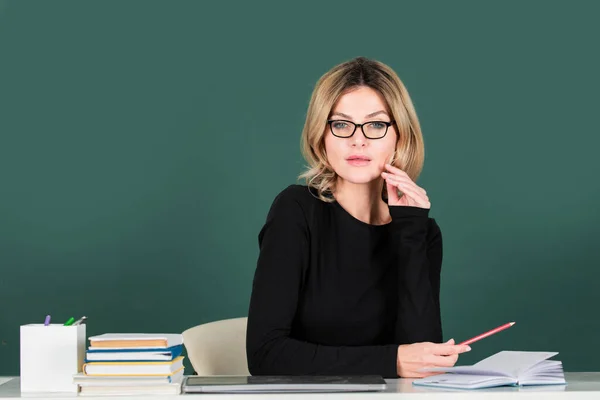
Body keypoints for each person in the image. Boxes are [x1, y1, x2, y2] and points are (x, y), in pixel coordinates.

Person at [246, 57, 470, 379]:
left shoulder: (421, 230)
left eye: (377, 125)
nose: (358, 140)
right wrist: (390, 362)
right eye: (341, 124)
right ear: (321, 136)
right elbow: (265, 355)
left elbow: (423, 358)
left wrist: (410, 228)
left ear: (400, 136)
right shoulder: (296, 210)